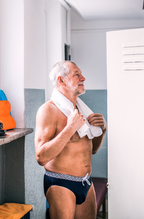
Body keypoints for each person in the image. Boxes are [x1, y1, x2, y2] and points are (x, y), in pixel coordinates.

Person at [35, 61, 107, 219]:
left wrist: (101, 131)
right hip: (62, 183)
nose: (83, 78)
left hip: (86, 182)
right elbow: (41, 157)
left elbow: (92, 150)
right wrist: (70, 128)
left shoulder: (80, 109)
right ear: (61, 80)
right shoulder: (48, 110)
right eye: (77, 75)